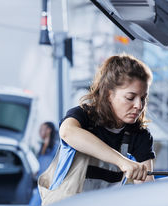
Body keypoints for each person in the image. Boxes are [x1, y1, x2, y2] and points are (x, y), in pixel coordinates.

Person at [58, 53, 155, 192]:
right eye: (130, 97)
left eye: (143, 98)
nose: (139, 106)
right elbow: (67, 132)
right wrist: (122, 162)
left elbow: (147, 189)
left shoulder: (139, 135)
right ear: (109, 95)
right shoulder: (84, 117)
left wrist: (143, 178)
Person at [28, 121, 59, 206]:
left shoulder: (56, 148)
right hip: (41, 183)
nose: (39, 132)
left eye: (41, 129)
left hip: (49, 184)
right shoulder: (42, 147)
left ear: (49, 130)